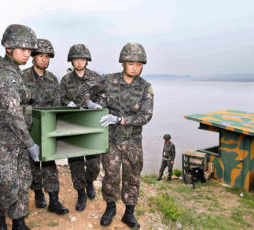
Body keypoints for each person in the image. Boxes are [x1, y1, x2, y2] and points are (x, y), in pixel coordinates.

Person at [0, 24, 40, 230]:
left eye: (29, 50)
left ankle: (18, 221)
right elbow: (14, 116)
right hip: (2, 142)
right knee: (10, 188)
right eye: (22, 49)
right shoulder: (4, 78)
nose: (27, 54)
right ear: (8, 48)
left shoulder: (15, 73)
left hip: (17, 140)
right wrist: (31, 143)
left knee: (24, 181)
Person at [96, 42, 154, 228]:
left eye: (139, 64)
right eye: (131, 64)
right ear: (122, 63)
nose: (135, 68)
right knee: (111, 176)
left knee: (132, 177)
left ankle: (129, 213)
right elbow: (94, 94)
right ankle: (110, 207)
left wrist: (120, 119)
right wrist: (92, 103)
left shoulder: (146, 87)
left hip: (133, 142)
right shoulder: (109, 81)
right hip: (111, 140)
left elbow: (146, 115)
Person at [21, 38, 69, 215]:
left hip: (48, 130)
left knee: (50, 164)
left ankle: (54, 200)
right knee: (33, 164)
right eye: (41, 55)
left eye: (47, 56)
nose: (44, 59)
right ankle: (38, 193)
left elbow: (56, 105)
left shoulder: (52, 80)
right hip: (28, 129)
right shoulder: (22, 77)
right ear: (33, 56)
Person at [59, 44, 102, 211]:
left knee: (94, 163)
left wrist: (96, 104)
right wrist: (66, 104)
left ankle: (90, 182)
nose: (79, 62)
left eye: (82, 59)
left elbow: (104, 96)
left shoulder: (96, 78)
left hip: (91, 126)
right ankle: (81, 193)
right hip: (72, 125)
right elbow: (59, 99)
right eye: (76, 59)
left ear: (87, 61)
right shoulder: (66, 79)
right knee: (75, 163)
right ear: (72, 60)